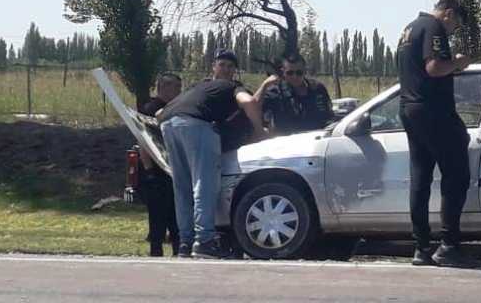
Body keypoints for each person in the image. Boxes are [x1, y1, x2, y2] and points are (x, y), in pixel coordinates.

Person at [158, 49, 266, 258]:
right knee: (204, 184)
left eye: (229, 66)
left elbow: (159, 113)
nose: (225, 69)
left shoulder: (197, 87)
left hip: (169, 124)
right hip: (197, 125)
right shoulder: (233, 87)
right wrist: (260, 132)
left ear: (234, 70)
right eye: (222, 64)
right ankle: (205, 241)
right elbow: (250, 102)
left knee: (182, 187)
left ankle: (184, 243)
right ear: (214, 67)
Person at [397, 0, 479, 268]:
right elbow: (434, 67)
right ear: (448, 13)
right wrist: (457, 62)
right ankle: (449, 245)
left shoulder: (409, 28)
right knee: (456, 175)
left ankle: (421, 247)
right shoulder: (434, 27)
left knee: (420, 177)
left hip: (410, 108)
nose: (453, 30)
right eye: (455, 24)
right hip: (434, 111)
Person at [136, 73, 182, 257]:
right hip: (155, 170)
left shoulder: (175, 107)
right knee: (158, 213)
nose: (179, 91)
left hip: (172, 169)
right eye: (176, 87)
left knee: (175, 213)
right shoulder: (150, 109)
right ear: (164, 87)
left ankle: (178, 249)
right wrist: (148, 171)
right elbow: (144, 141)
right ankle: (156, 250)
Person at [255, 53, 335, 135]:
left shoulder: (318, 88)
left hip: (318, 139)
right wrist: (264, 85)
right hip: (289, 143)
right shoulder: (276, 91)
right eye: (290, 73)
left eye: (299, 73)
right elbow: (252, 109)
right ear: (283, 72)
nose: (294, 76)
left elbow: (329, 116)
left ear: (305, 71)